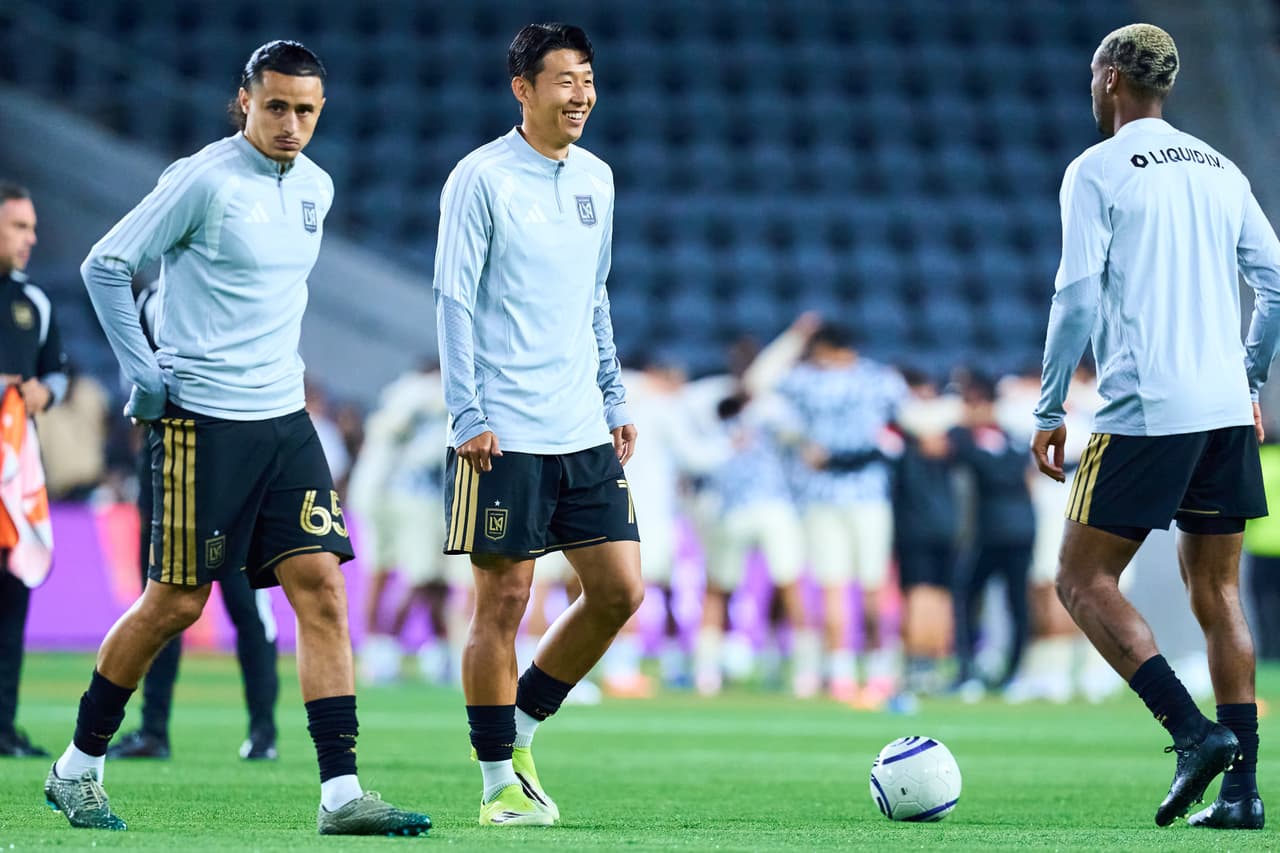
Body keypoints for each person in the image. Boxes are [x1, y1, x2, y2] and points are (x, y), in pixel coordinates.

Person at [48, 40, 431, 835]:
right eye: (277, 107)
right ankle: (76, 766)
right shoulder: (204, 179)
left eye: (307, 110)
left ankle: (341, 794)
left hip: (282, 418)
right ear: (245, 102)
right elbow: (104, 263)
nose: (292, 124)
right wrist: (144, 374)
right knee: (176, 602)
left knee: (323, 591)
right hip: (199, 420)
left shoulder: (316, 187)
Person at [1031, 23, 1280, 830]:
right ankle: (1244, 795)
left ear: (1109, 81)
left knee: (1080, 577)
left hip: (1146, 407)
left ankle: (1191, 731)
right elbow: (1274, 284)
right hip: (1223, 411)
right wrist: (1248, 377)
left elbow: (1075, 295)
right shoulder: (1219, 167)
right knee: (1219, 592)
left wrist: (1048, 404)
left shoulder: (1096, 170)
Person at [433, 22, 642, 826]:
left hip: (581, 425)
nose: (581, 94)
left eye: (588, 78)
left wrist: (614, 397)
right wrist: (467, 412)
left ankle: (516, 729)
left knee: (620, 591)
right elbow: (453, 299)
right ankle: (496, 788)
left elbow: (595, 298)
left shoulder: (598, 178)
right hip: (504, 430)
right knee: (504, 600)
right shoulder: (480, 179)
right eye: (564, 79)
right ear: (522, 88)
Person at [108, 281, 280, 761]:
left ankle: (263, 733)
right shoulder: (153, 301)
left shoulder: (241, 288)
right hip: (166, 469)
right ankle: (153, 730)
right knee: (162, 601)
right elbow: (137, 392)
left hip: (232, 468)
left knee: (246, 606)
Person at [0, 182, 68, 758]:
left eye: (31, 227)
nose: (31, 238)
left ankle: (3, 725)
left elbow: (58, 375)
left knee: (12, 594)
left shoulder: (34, 303)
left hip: (12, 482)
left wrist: (44, 392)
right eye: (19, 226)